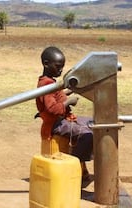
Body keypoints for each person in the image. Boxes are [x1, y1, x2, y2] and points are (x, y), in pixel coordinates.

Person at [35, 46, 93, 181]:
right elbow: (52, 109)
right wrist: (68, 102)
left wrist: (69, 91)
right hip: (55, 124)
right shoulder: (46, 84)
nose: (60, 70)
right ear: (46, 64)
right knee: (88, 135)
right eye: (58, 66)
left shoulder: (50, 82)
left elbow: (57, 95)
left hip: (63, 120)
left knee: (94, 123)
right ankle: (75, 165)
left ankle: (81, 163)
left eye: (62, 67)